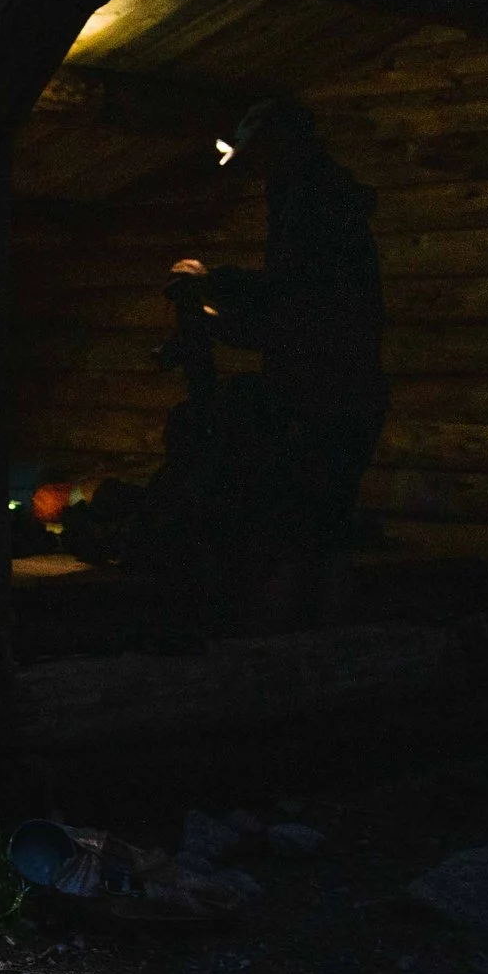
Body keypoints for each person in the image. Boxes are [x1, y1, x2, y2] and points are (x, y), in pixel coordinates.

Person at [164, 97, 387, 627]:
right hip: (340, 390)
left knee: (302, 532)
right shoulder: (309, 194)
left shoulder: (314, 201)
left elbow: (300, 302)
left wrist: (214, 288)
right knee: (313, 531)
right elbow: (296, 306)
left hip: (328, 396)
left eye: (254, 154)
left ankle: (300, 657)